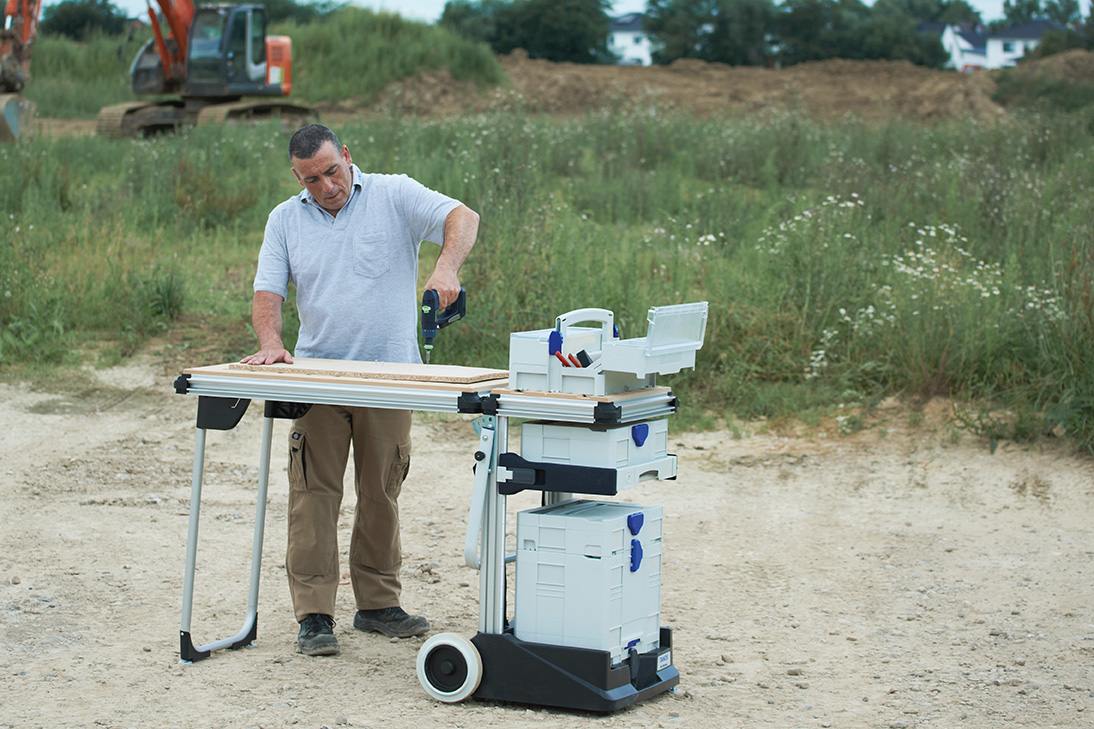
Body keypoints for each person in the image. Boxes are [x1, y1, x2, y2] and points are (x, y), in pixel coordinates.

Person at [241, 124, 478, 656]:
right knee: (312, 496)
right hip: (318, 378)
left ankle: (377, 605)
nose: (327, 186)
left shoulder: (394, 194)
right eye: (312, 179)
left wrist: (446, 267)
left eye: (332, 171)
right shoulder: (284, 220)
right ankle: (314, 616)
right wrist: (272, 344)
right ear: (297, 178)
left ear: (347, 155)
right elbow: (267, 291)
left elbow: (463, 216)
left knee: (381, 493)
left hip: (391, 379)